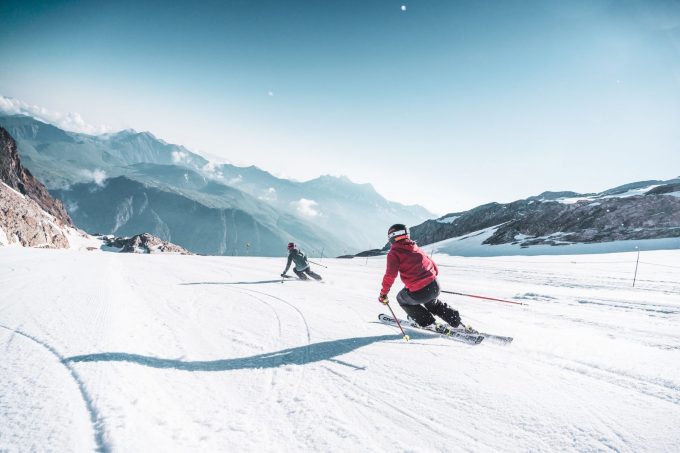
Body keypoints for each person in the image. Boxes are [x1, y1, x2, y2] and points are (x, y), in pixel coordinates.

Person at [378, 224, 462, 331]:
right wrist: (429, 282)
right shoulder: (415, 246)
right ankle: (456, 321)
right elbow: (434, 267)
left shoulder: (394, 253)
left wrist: (383, 294)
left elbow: (390, 275)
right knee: (432, 303)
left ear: (392, 237)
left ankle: (428, 323)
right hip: (435, 285)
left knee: (401, 298)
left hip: (420, 291)